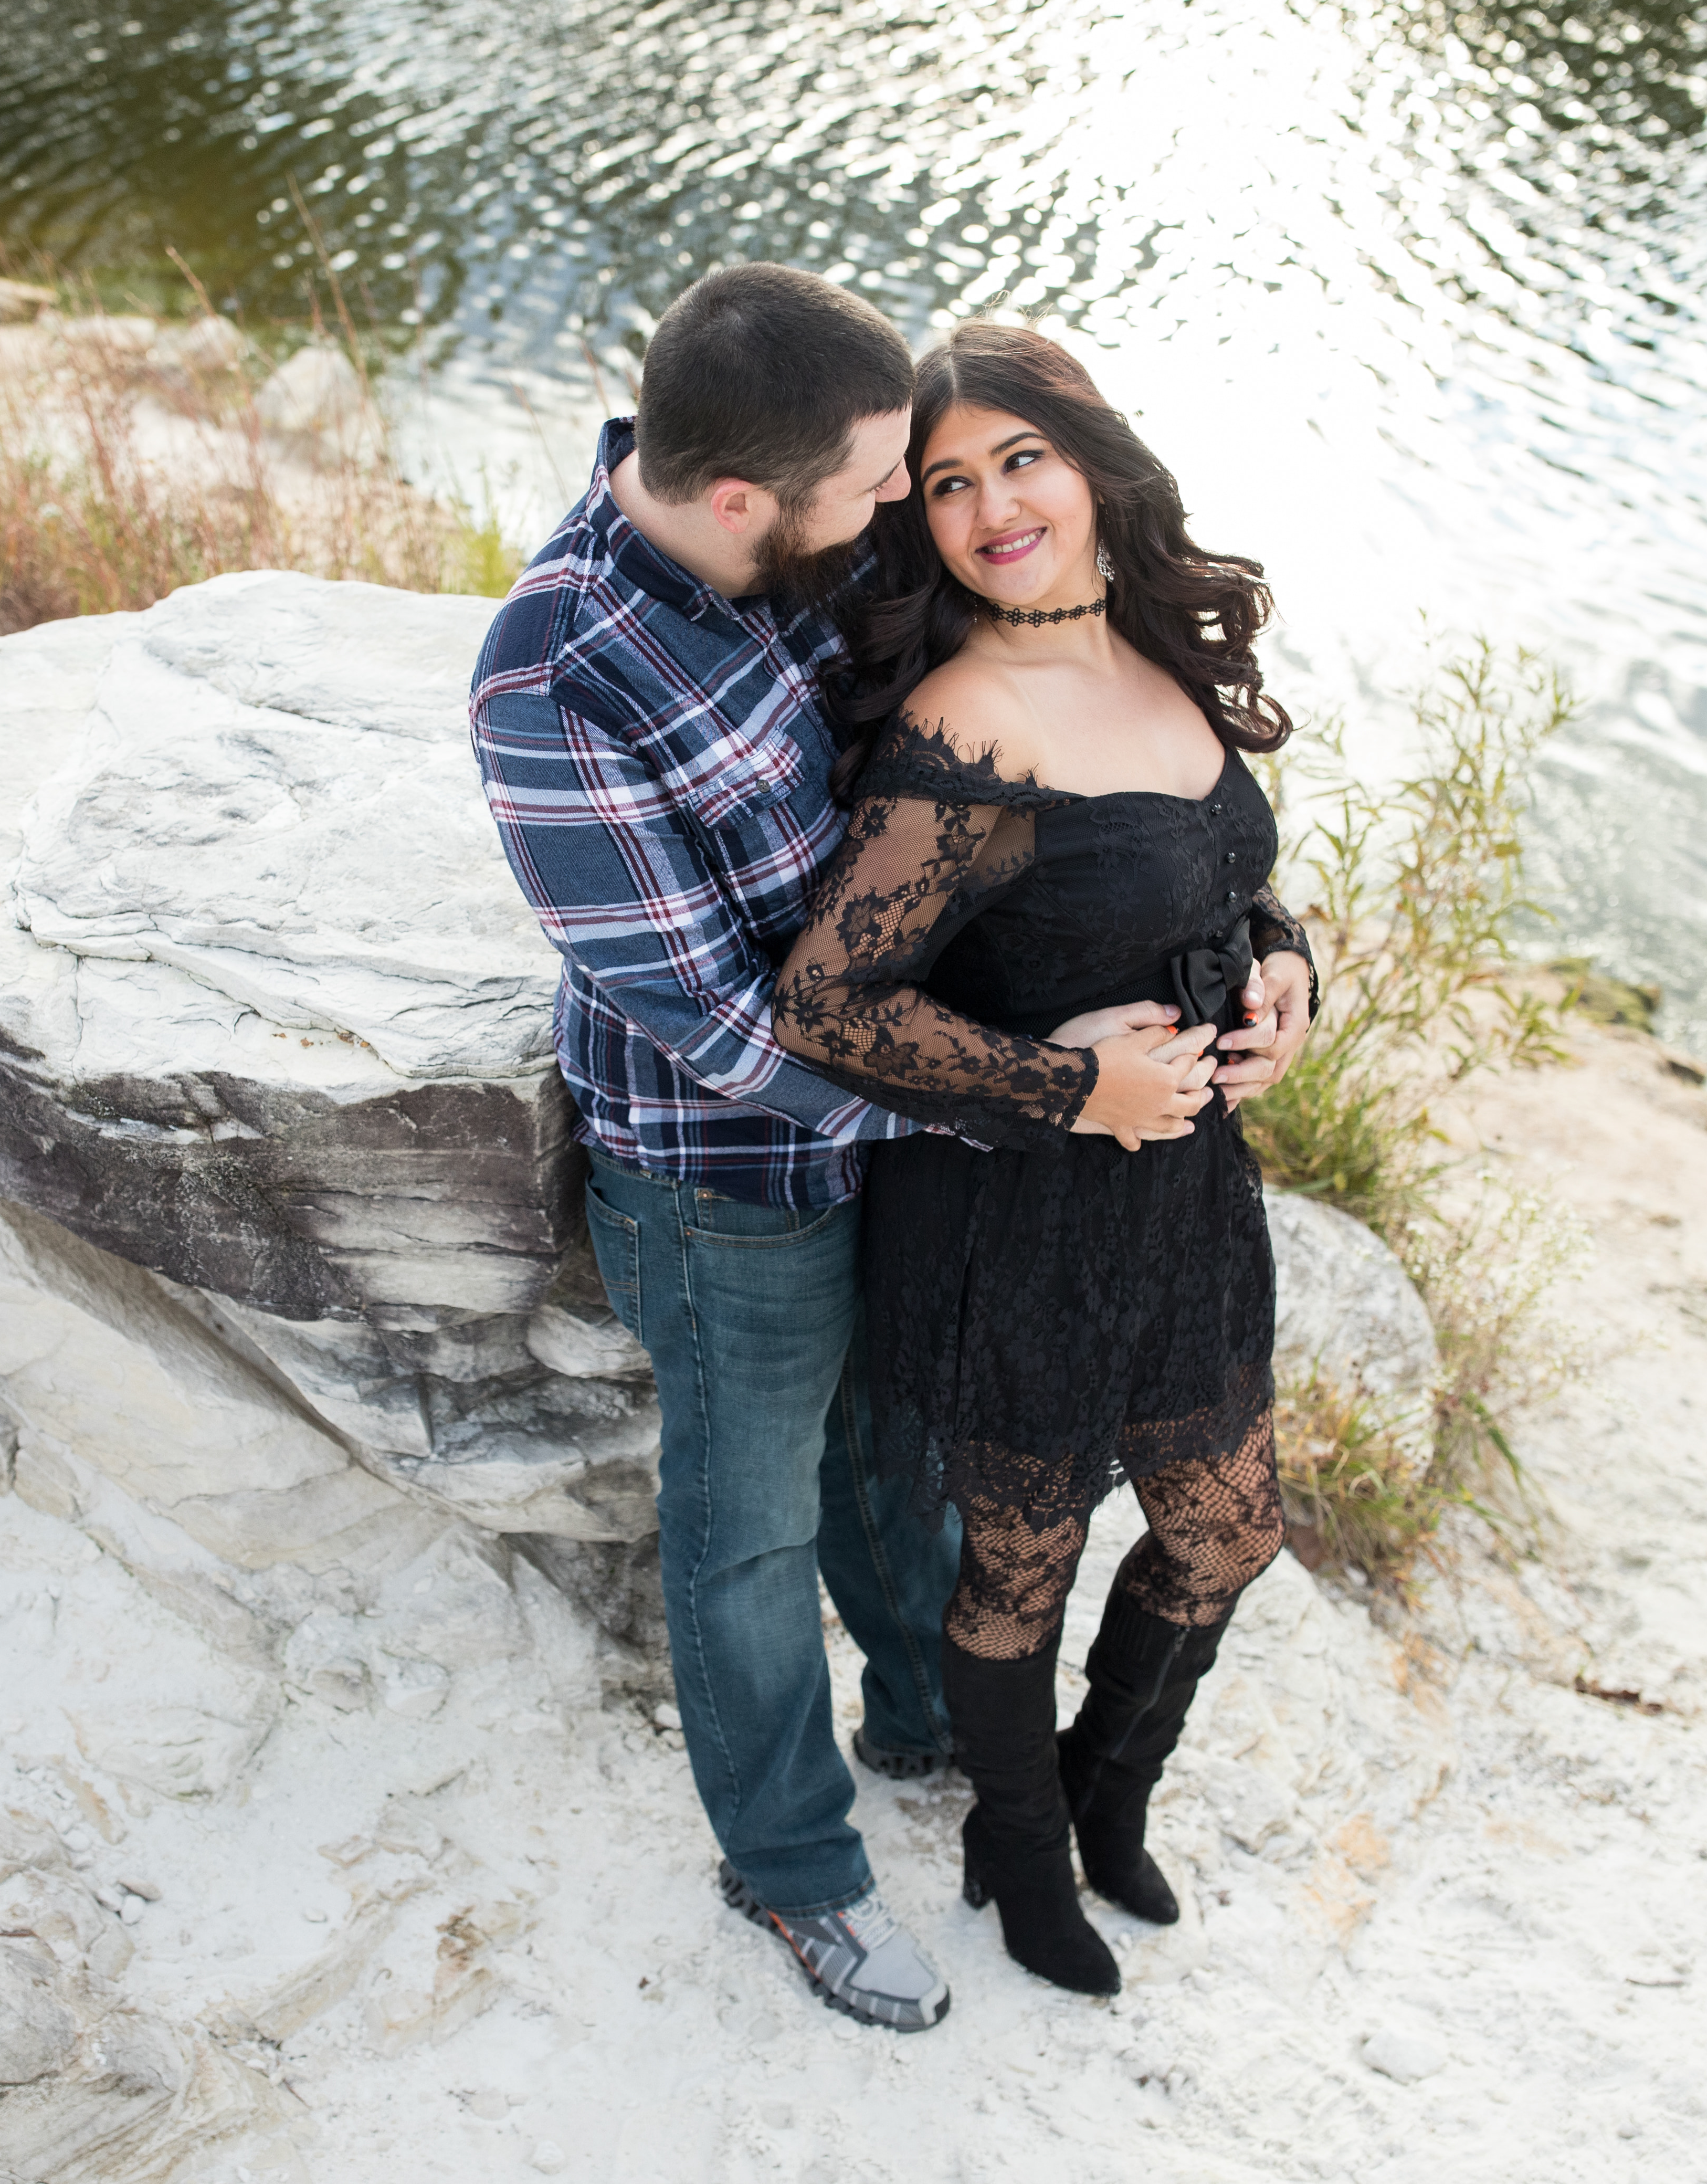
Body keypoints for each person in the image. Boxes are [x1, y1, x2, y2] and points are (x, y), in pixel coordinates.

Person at [466, 268, 1216, 2032]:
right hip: (726, 1182)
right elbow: (724, 1035)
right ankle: (794, 1872)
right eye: (886, 481)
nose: (911, 510)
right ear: (745, 496)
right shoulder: (555, 681)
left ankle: (928, 1717)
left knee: (902, 1457)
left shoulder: (809, 536)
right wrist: (1023, 1088)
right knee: (744, 1533)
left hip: (910, 1121)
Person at [773, 321, 1320, 1999]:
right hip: (1019, 1218)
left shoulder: (1153, 653)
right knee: (1020, 1561)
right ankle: (1017, 1852)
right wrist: (1062, 1089)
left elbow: (1208, 886)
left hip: (1185, 1203)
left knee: (1228, 1530)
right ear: (918, 523)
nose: (993, 505)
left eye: (1023, 460)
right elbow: (826, 1005)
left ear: (1092, 464)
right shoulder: (969, 730)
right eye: (948, 485)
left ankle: (1104, 1790)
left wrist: (1290, 966)